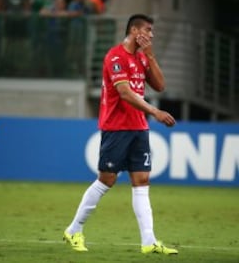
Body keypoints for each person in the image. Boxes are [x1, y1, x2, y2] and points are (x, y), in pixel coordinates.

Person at [63, 14, 179, 255]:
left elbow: (160, 86)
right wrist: (155, 111)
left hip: (139, 129)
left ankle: (149, 241)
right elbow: (125, 93)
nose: (151, 34)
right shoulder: (115, 56)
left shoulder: (142, 58)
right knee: (107, 180)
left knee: (142, 181)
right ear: (135, 31)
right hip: (116, 127)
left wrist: (150, 55)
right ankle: (74, 230)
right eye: (148, 30)